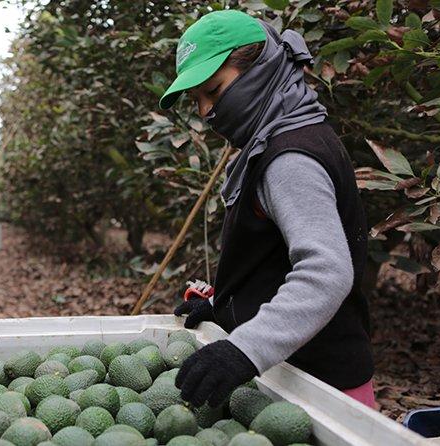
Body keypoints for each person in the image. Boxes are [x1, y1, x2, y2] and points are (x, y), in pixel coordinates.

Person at [159, 10, 375, 408]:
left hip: (321, 392)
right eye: (198, 101)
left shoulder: (288, 158)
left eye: (215, 90)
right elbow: (271, 264)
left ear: (261, 69)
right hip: (289, 377)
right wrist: (222, 306)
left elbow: (326, 272)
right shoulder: (291, 134)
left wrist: (245, 348)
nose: (207, 112)